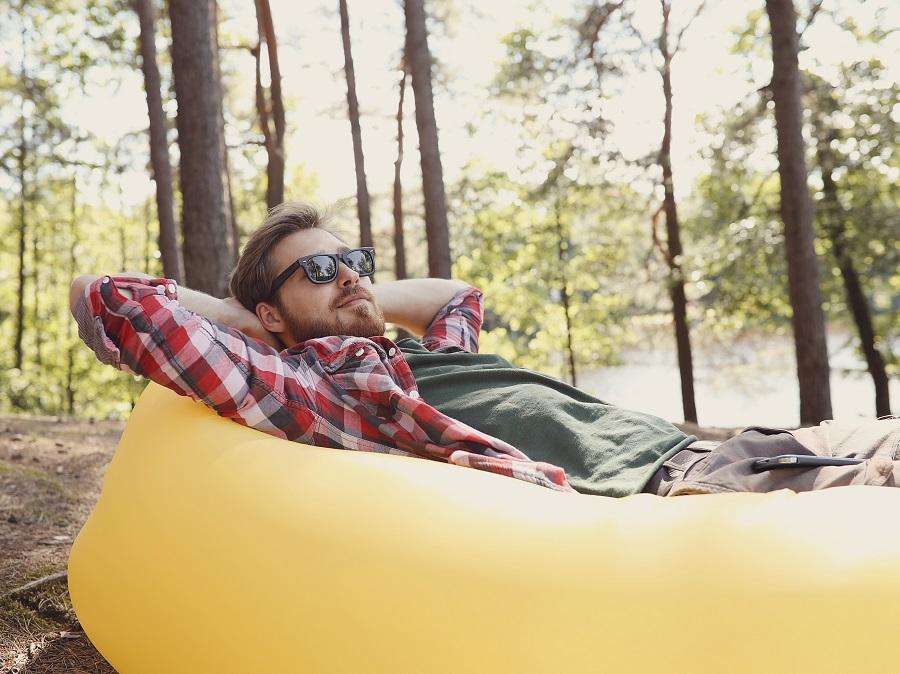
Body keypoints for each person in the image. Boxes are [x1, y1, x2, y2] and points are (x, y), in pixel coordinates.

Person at [70, 202, 899, 497]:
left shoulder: (420, 359)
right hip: (682, 483)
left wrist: (350, 297)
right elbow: (115, 301)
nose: (350, 275)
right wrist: (255, 323)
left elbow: (458, 298)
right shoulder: (324, 385)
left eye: (354, 260)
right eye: (318, 270)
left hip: (730, 447)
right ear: (267, 319)